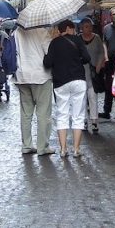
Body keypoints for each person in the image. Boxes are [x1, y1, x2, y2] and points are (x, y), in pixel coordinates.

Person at [42, 20, 90, 157]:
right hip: (78, 80)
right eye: (73, 29)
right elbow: (87, 58)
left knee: (62, 115)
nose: (74, 31)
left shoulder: (54, 43)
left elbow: (47, 63)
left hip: (61, 82)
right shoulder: (77, 40)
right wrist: (76, 60)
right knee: (78, 115)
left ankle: (63, 149)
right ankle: (76, 149)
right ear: (68, 28)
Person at [13, 24, 55, 156]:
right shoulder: (42, 31)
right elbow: (50, 52)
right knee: (43, 113)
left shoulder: (16, 32)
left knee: (26, 113)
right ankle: (43, 147)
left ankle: (26, 145)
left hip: (22, 76)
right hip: (40, 75)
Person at [78, 18, 106, 133]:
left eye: (90, 26)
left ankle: (94, 121)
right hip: (81, 72)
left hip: (94, 72)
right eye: (86, 26)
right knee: (82, 98)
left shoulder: (97, 38)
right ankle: (83, 120)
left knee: (93, 97)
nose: (89, 29)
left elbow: (101, 52)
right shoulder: (78, 39)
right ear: (81, 28)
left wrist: (99, 65)